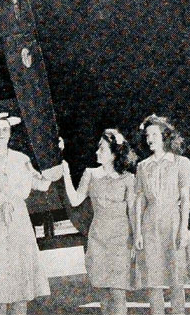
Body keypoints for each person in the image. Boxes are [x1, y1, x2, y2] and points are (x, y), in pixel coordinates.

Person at [0, 112, 53, 315]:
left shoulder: (22, 159)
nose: (0, 134)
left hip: (18, 226)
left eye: (4, 129)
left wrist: (53, 156)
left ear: (10, 132)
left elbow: (43, 185)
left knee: (20, 290)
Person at [62, 129, 137, 315]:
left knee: (118, 293)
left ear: (114, 154)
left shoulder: (128, 179)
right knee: (103, 294)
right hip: (97, 239)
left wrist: (136, 237)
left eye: (102, 149)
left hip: (121, 239)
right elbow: (75, 200)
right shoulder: (90, 174)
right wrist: (65, 173)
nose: (97, 152)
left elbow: (133, 211)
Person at [134, 114, 190, 315]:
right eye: (147, 135)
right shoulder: (142, 167)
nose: (149, 139)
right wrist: (138, 233)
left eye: (154, 134)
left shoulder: (181, 163)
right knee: (154, 283)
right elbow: (139, 201)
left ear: (164, 136)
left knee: (176, 281)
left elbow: (186, 200)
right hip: (150, 224)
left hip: (173, 222)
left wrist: (183, 230)